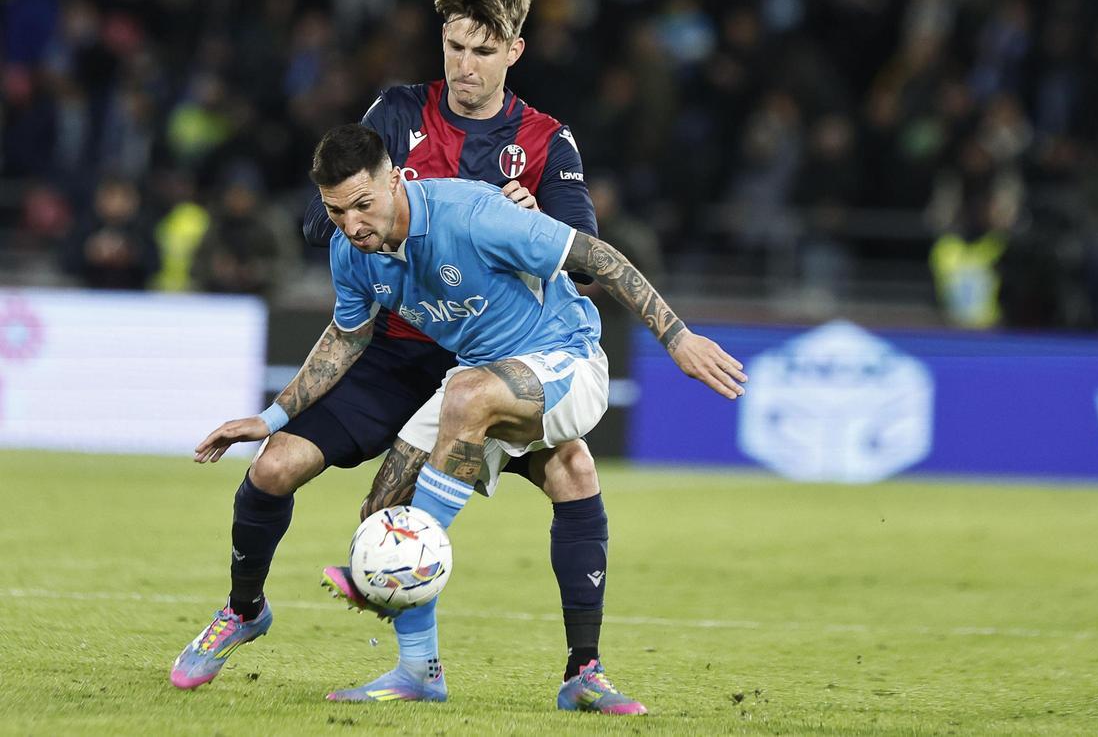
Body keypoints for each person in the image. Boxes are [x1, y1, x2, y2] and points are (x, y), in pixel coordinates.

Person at [168, 0, 612, 709]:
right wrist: (383, 209)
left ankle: (584, 670)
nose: (465, 66)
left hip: (489, 355)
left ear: (514, 51)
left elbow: (586, 256)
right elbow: (320, 217)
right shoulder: (399, 112)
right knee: (275, 466)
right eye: (454, 46)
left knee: (572, 469)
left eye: (483, 50)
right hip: (394, 349)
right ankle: (244, 610)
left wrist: (527, 217)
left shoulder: (544, 141)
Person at [192, 123, 746, 713]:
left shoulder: (474, 215)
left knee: (459, 426)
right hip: (479, 377)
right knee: (384, 511)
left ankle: (426, 559)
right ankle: (425, 670)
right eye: (336, 211)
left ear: (395, 180)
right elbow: (346, 337)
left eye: (362, 204)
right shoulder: (350, 252)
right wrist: (274, 416)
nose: (352, 224)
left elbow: (598, 257)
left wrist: (677, 338)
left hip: (566, 357)